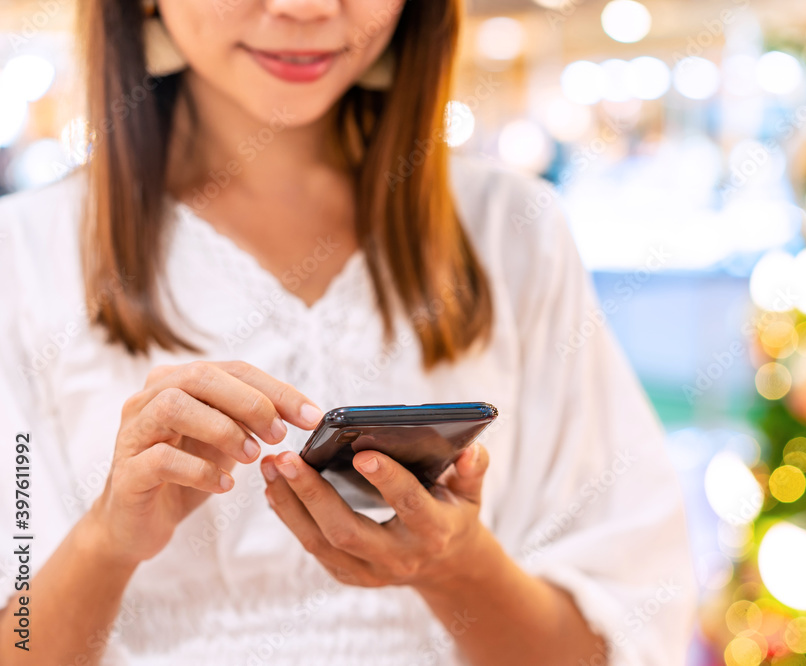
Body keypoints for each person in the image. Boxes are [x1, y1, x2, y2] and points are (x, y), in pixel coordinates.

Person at [0, 0, 696, 663]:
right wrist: (106, 543)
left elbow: (614, 640)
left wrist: (459, 570)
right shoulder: (27, 257)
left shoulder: (514, 232)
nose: (305, 10)